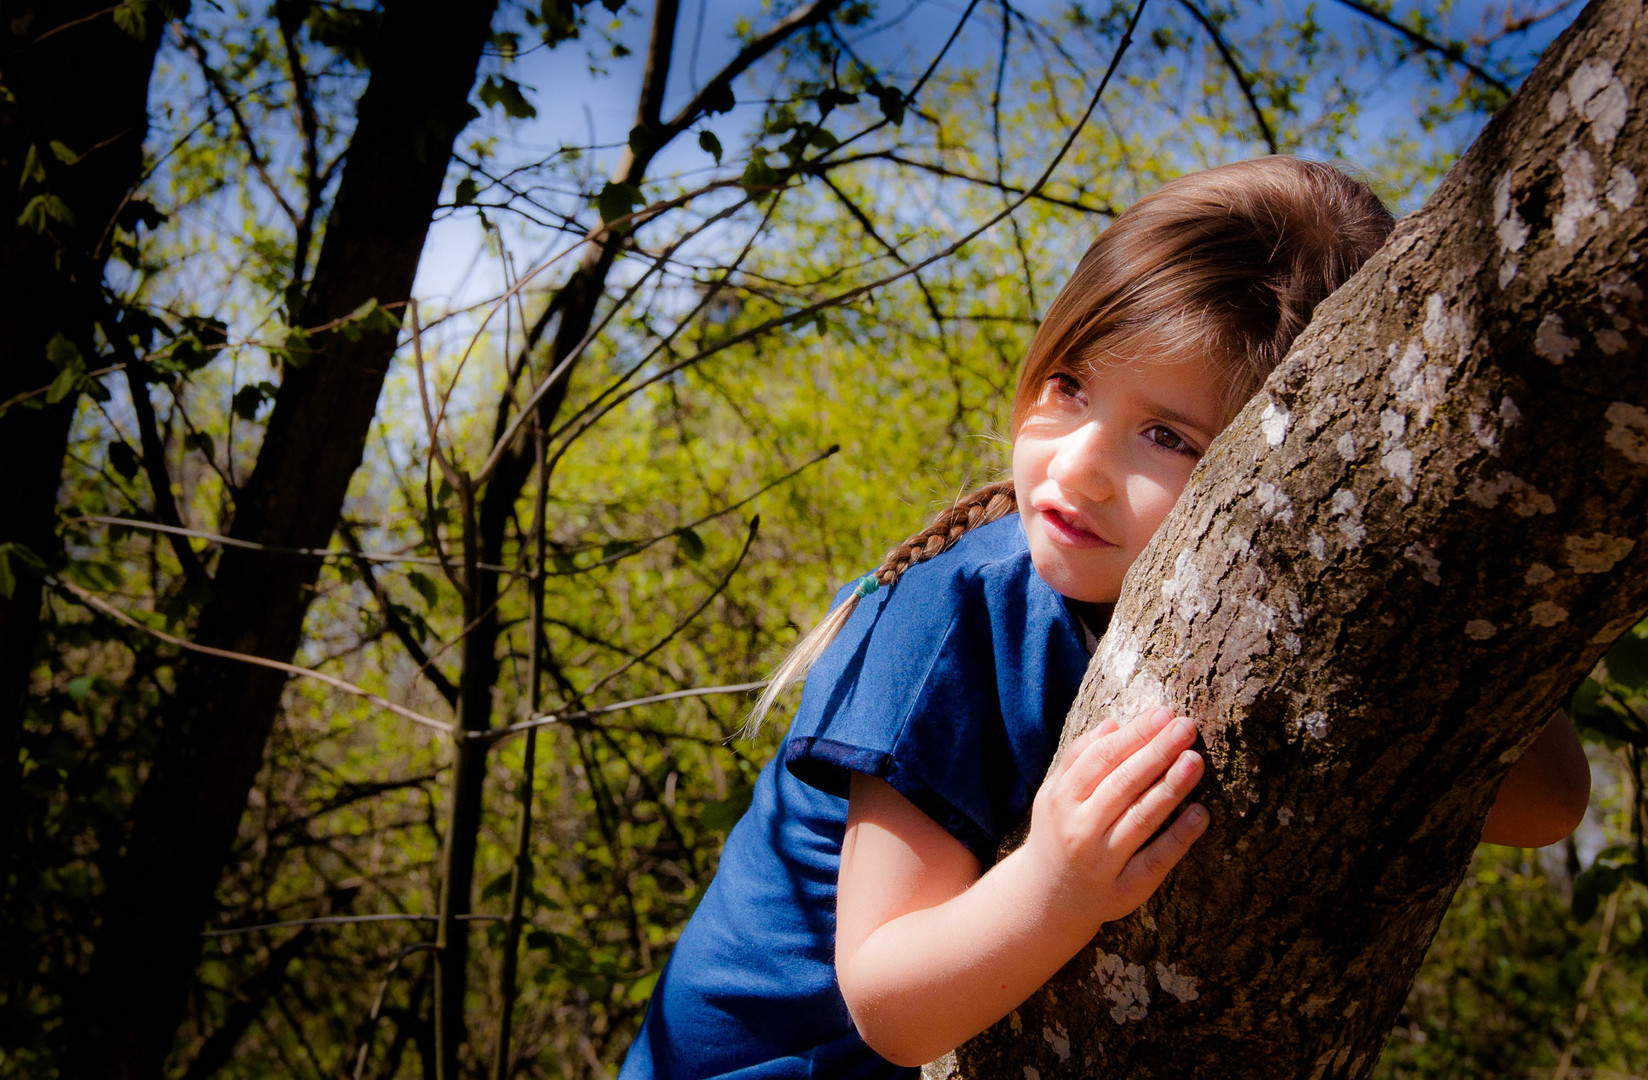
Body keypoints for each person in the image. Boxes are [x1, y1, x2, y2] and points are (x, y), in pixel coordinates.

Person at [618, 157, 1592, 1079]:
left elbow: (1547, 807)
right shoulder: (959, 618)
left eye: (1165, 435)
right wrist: (1056, 887)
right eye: (1070, 385)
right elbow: (887, 1000)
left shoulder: (1248, 610)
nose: (1076, 463)